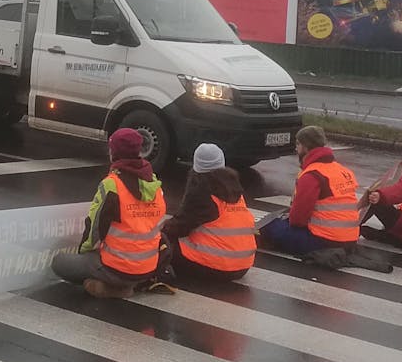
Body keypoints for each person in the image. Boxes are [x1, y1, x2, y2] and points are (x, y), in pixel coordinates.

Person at [52, 128, 166, 298]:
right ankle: (130, 283)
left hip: (118, 268)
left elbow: (94, 228)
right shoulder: (155, 184)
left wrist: (84, 254)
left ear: (114, 153)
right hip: (148, 267)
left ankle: (113, 288)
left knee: (59, 263)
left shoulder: (112, 185)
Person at [162, 144, 258, 282]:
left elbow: (180, 225)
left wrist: (159, 231)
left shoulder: (203, 193)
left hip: (219, 267)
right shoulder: (235, 191)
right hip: (243, 265)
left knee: (163, 244)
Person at [259, 126, 360, 255]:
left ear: (306, 147)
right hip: (350, 240)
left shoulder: (312, 175)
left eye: (298, 144)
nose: (296, 148)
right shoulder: (342, 170)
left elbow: (297, 220)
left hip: (324, 242)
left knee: (270, 226)